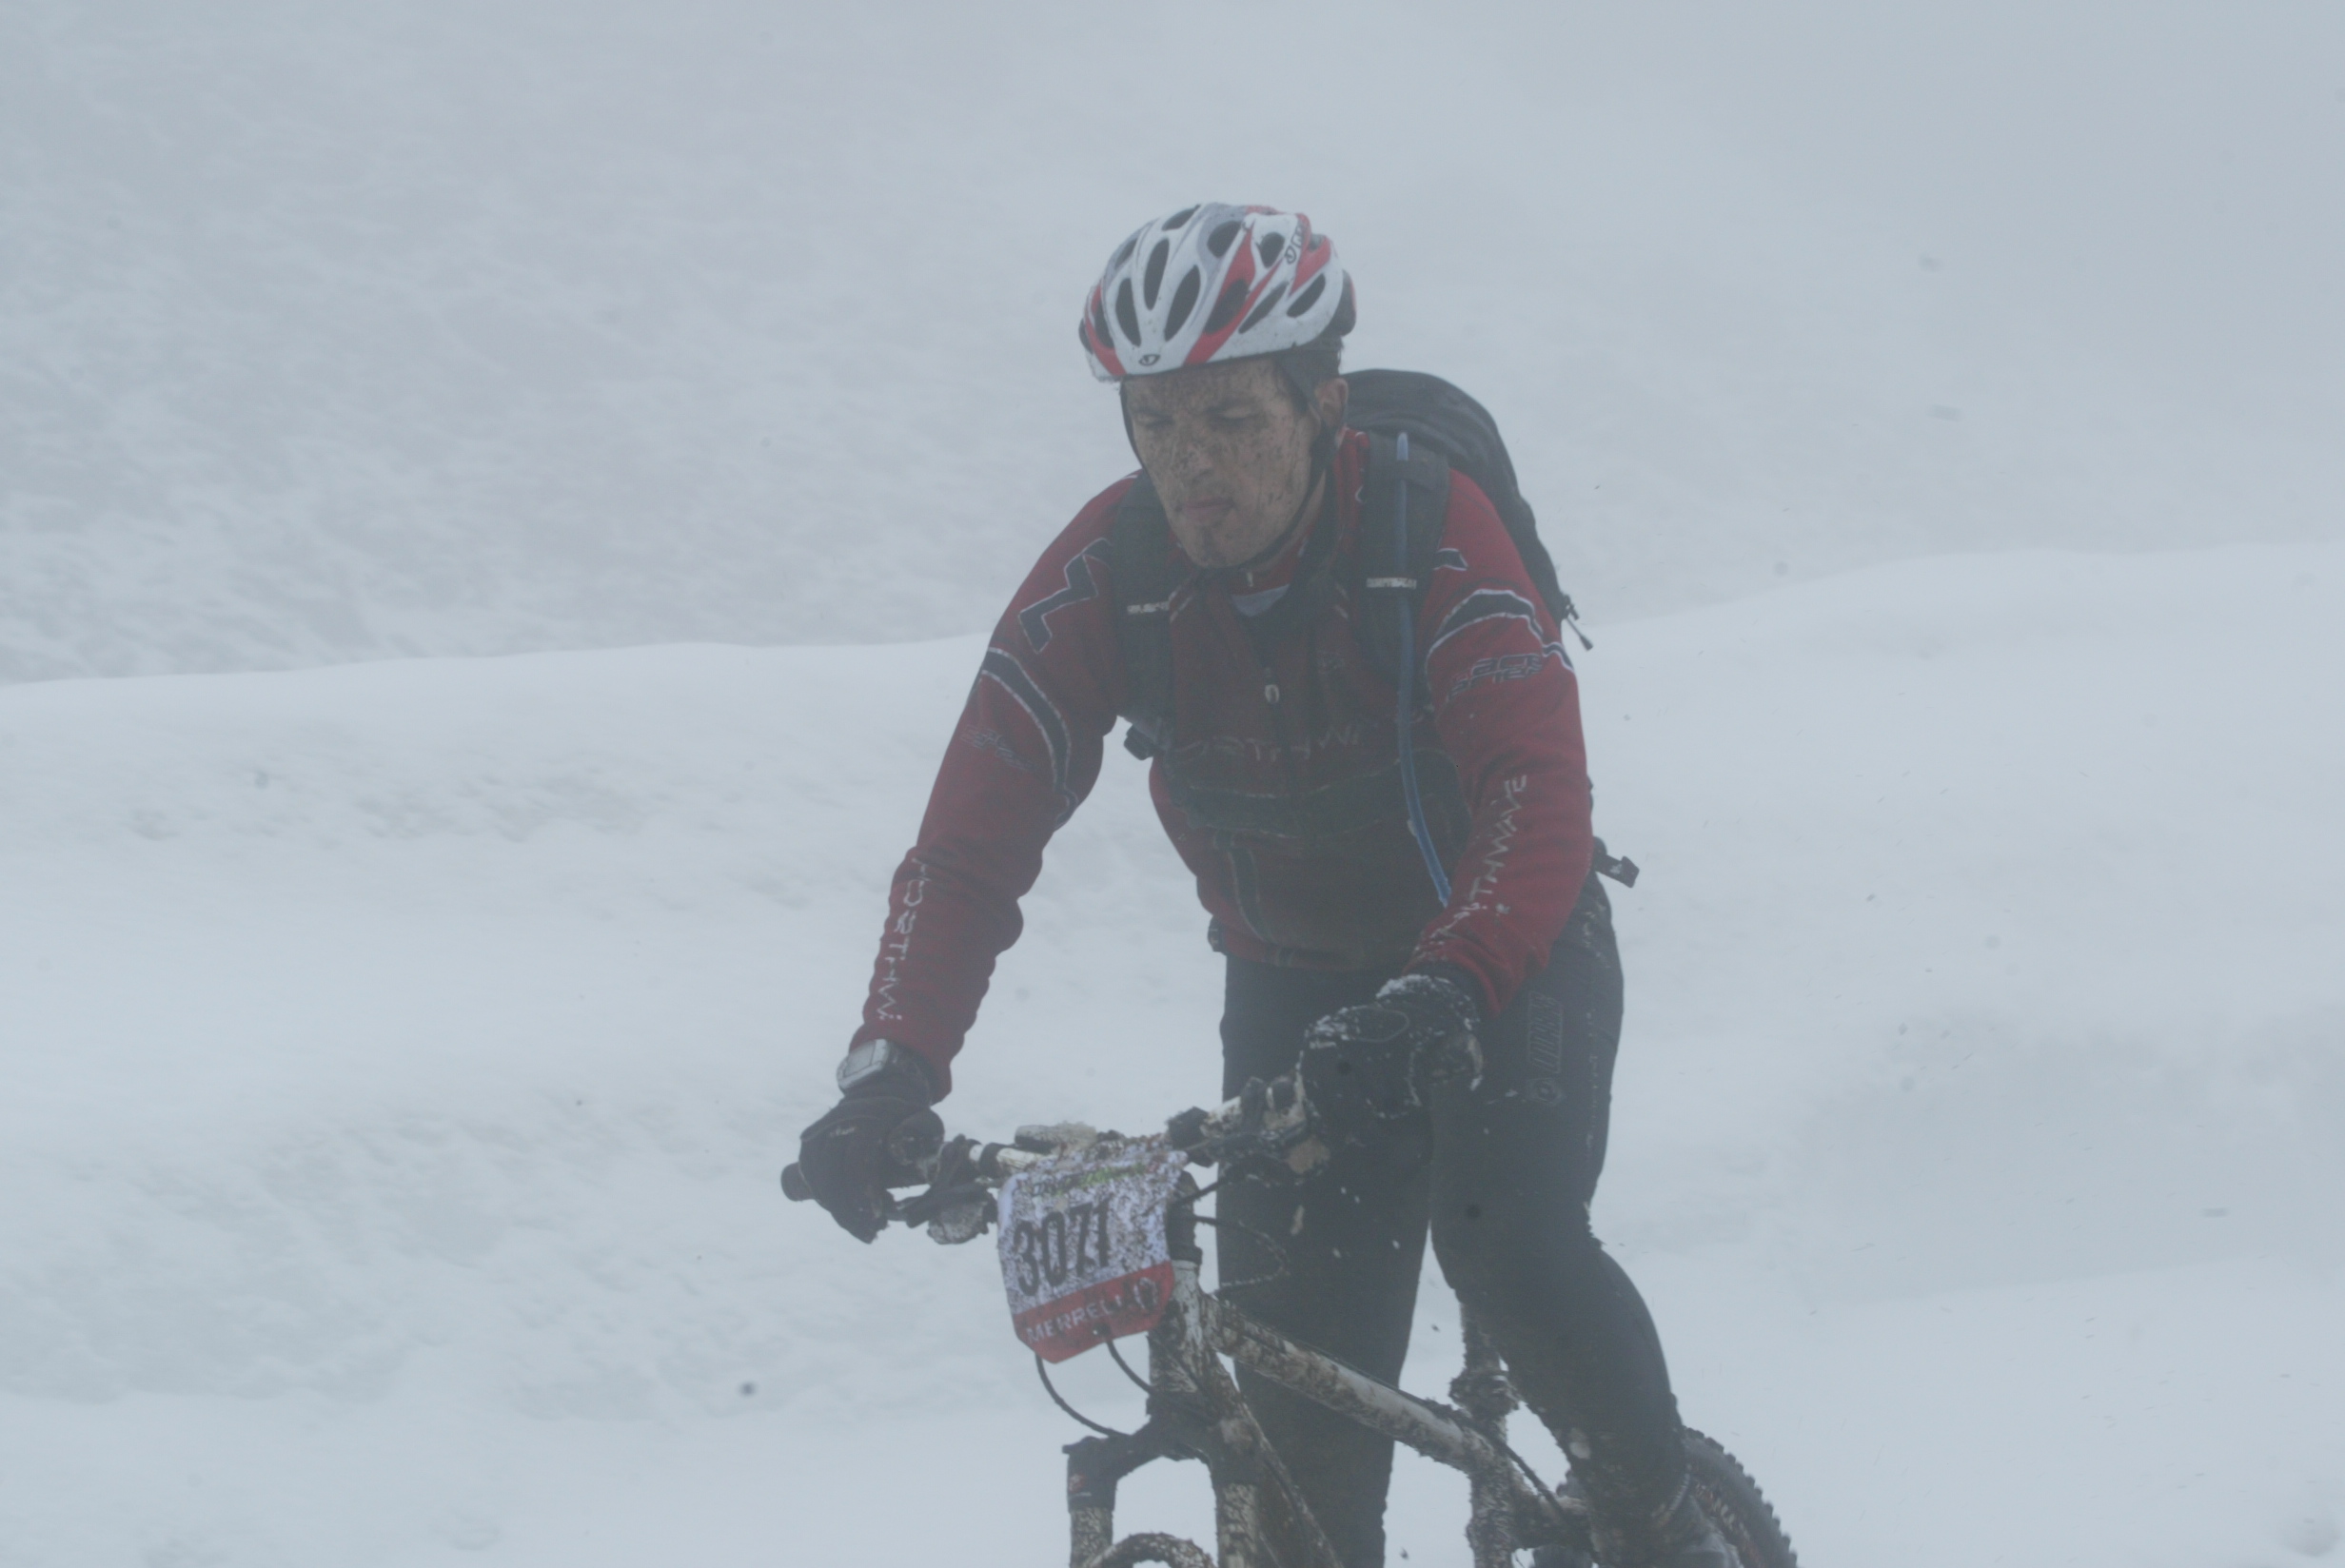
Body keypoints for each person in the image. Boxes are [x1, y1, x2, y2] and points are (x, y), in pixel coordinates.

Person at [796, 204, 1733, 1568]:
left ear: (1322, 405)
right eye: (1157, 423)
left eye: (1233, 417)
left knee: (1510, 1246)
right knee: (1299, 1428)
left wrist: (1448, 985)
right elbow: (967, 849)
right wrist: (890, 1070)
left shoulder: (1430, 530)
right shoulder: (1108, 576)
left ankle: (1663, 1530)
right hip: (1294, 981)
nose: (1192, 465)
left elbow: (1535, 793)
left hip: (1503, 949)